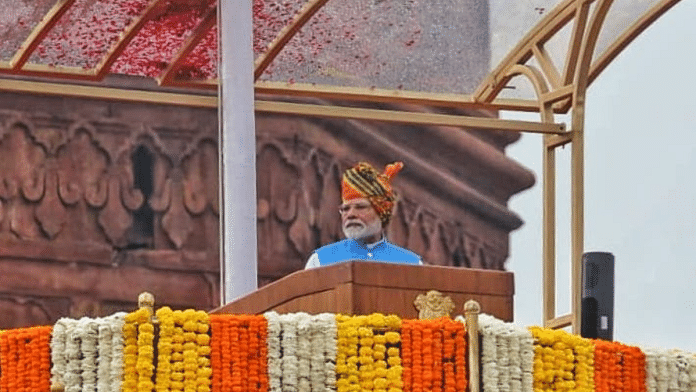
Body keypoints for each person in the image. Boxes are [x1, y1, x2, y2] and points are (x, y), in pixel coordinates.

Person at [305, 161, 422, 269]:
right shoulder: (321, 261)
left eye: (360, 207)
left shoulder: (411, 264)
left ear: (380, 212)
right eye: (345, 209)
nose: (350, 215)